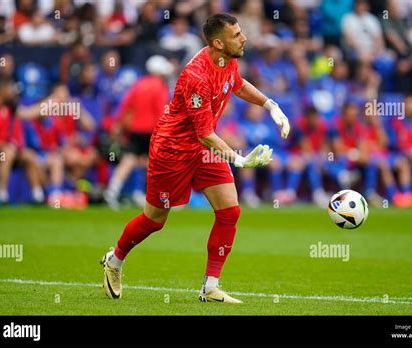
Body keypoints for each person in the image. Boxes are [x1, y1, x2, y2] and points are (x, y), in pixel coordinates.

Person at [100, 13, 290, 303]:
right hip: (172, 150)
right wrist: (237, 160)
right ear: (218, 43)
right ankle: (115, 260)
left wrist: (269, 104)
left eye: (241, 33)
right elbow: (204, 133)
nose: (244, 38)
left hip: (203, 150)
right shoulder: (196, 77)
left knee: (230, 211)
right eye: (237, 35)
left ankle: (210, 286)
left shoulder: (227, 59)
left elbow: (236, 84)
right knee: (155, 220)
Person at [103, 55, 173, 209]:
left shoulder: (138, 84)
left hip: (135, 130)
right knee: (155, 163)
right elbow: (161, 111)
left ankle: (113, 191)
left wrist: (118, 125)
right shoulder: (160, 86)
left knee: (130, 160)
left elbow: (125, 106)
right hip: (153, 130)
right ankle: (157, 197)